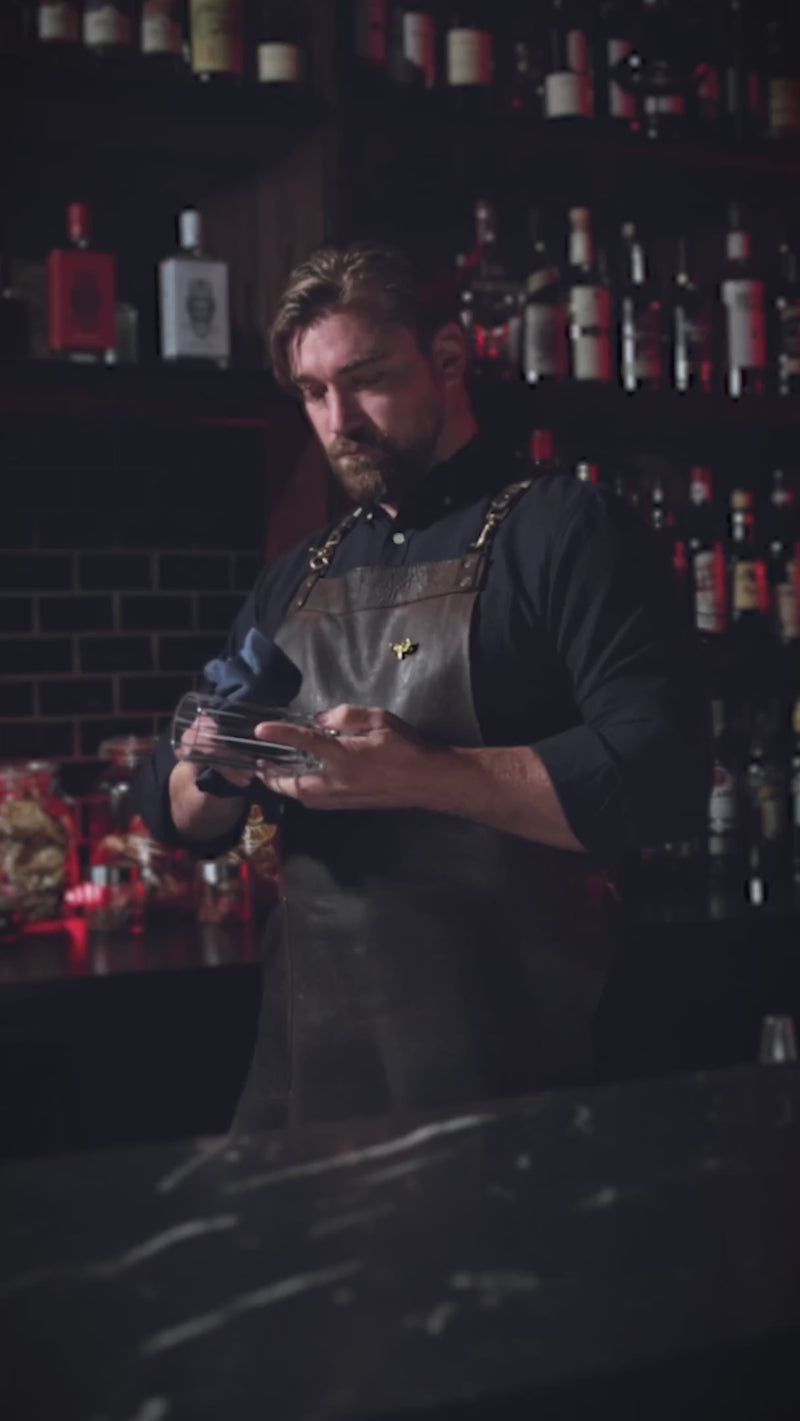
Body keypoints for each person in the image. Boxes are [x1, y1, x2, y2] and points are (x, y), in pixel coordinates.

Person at [133, 240, 711, 1132]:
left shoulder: (562, 530)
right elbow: (175, 817)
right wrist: (215, 763)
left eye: (365, 379)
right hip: (306, 1092)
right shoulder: (297, 575)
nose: (338, 420)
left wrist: (421, 774)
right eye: (314, 393)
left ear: (447, 356)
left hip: (522, 1091)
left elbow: (659, 774)